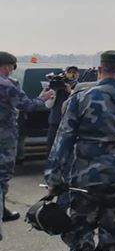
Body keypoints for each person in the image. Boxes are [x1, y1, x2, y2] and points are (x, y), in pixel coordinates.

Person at [45, 50, 115, 251]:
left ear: (99, 70)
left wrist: (54, 178)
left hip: (87, 178)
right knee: (114, 237)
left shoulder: (80, 98)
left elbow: (63, 140)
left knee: (80, 234)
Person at [0, 51, 53, 239]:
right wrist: (44, 97)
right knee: (2, 176)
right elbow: (27, 106)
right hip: (4, 137)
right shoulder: (8, 84)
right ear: (8, 65)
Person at [44, 66, 79, 151]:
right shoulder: (56, 85)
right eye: (69, 72)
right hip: (55, 121)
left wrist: (70, 91)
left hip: (71, 123)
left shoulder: (80, 87)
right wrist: (54, 90)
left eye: (74, 72)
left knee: (68, 148)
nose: (72, 74)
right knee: (51, 147)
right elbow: (48, 105)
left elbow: (80, 102)